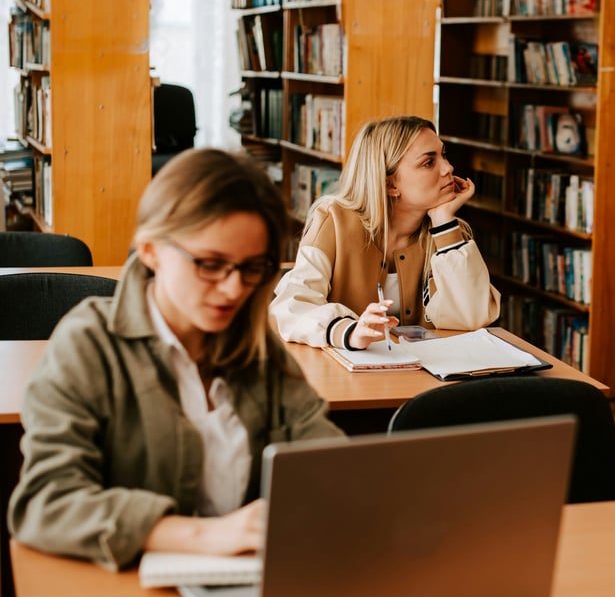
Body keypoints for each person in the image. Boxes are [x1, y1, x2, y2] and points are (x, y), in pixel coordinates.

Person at [8, 149, 345, 570]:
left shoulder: (257, 346)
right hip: (126, 595)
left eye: (252, 268)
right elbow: (45, 503)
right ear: (150, 249)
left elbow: (327, 459)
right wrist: (207, 535)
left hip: (246, 588)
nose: (233, 290)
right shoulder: (88, 344)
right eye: (210, 264)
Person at [271, 115, 500, 350]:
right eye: (428, 163)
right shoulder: (333, 220)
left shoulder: (450, 231)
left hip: (426, 377)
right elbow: (292, 306)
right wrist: (348, 331)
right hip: (346, 378)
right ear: (391, 184)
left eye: (443, 155)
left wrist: (443, 222)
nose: (448, 168)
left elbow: (474, 317)